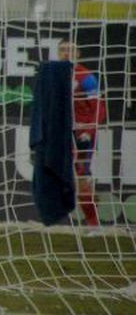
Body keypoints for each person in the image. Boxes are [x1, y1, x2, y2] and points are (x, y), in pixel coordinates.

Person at [58, 38, 105, 227]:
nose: (66, 53)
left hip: (82, 133)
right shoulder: (55, 77)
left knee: (81, 176)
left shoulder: (86, 77)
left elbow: (100, 108)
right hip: (62, 132)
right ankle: (90, 199)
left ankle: (93, 223)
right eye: (62, 50)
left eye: (70, 49)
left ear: (78, 54)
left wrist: (89, 129)